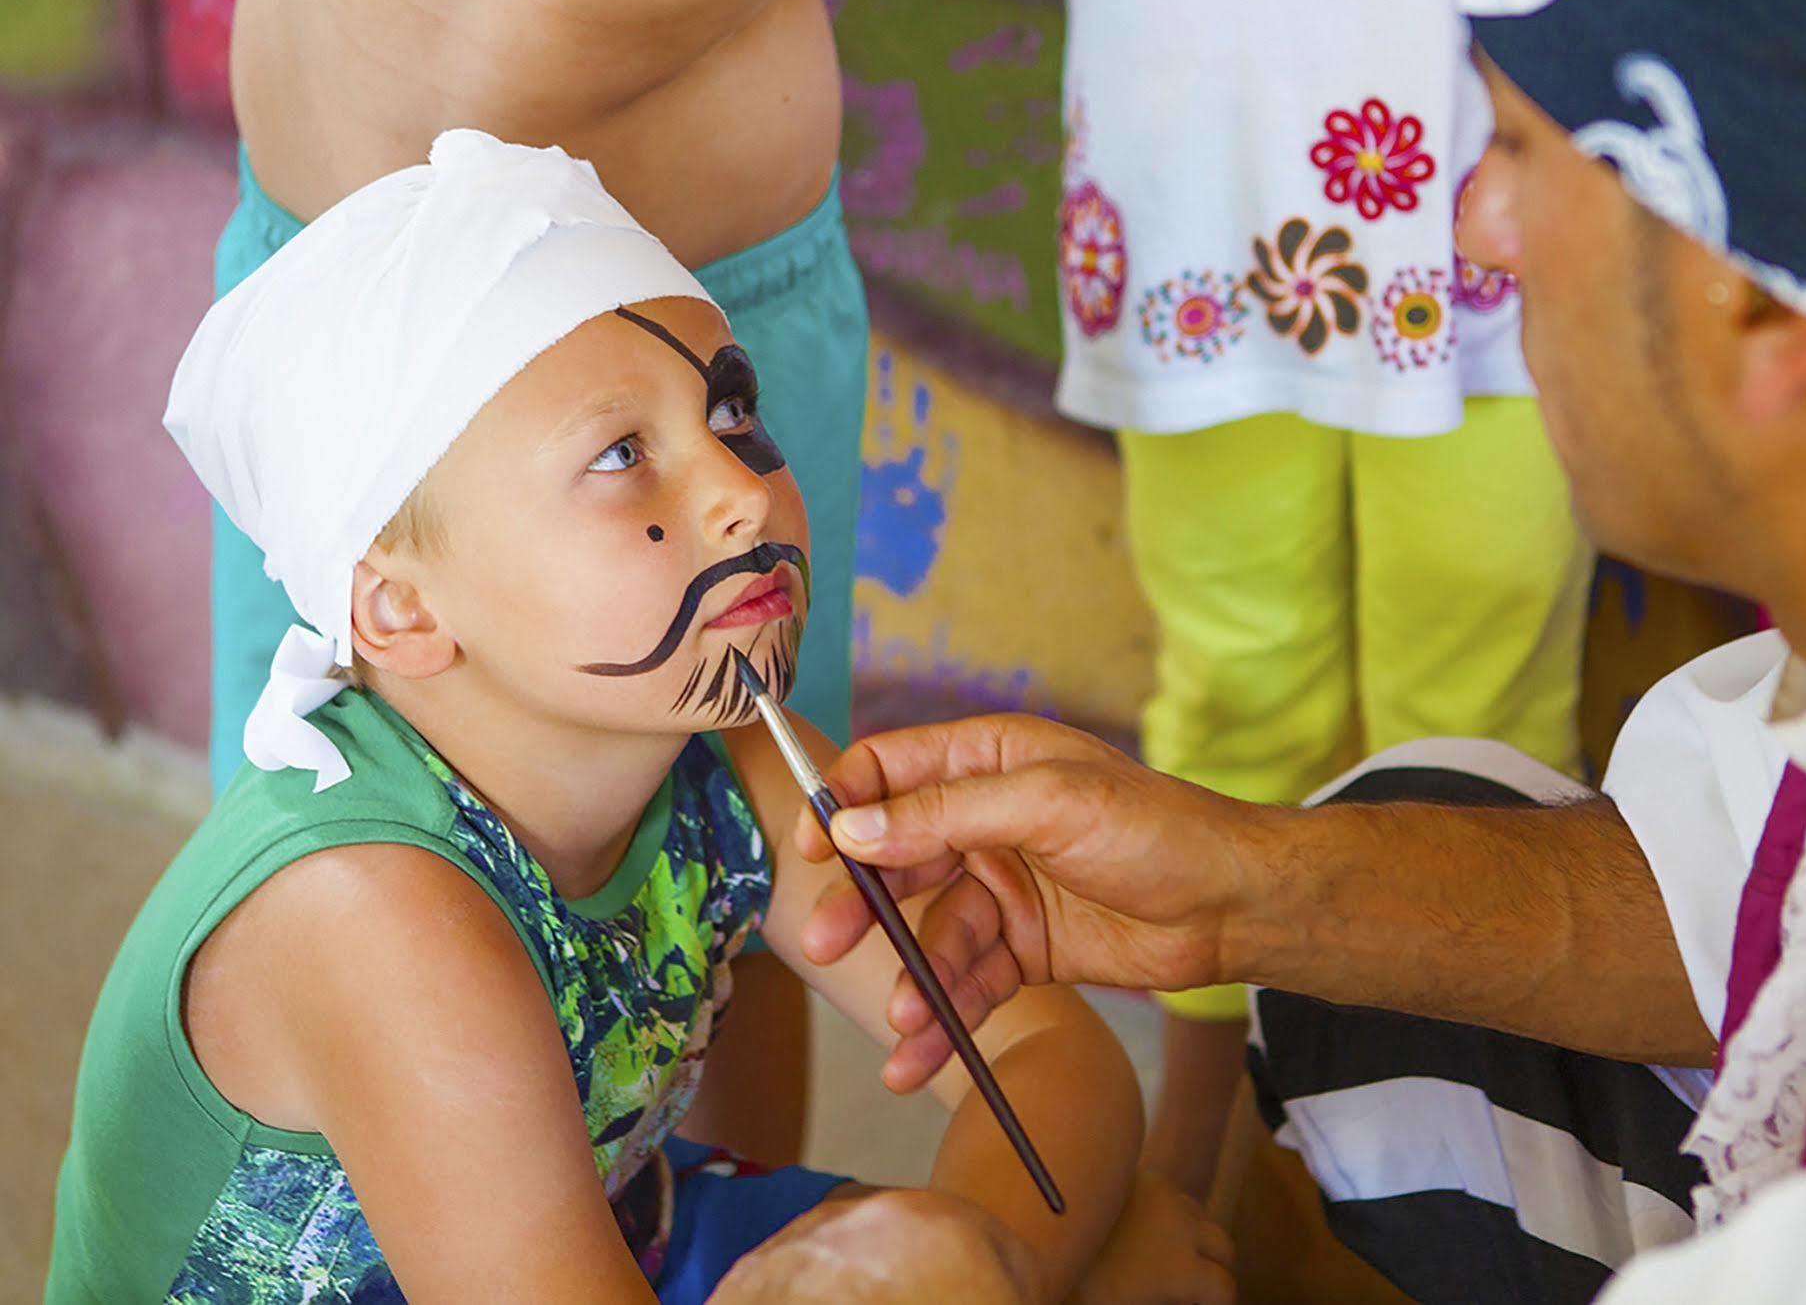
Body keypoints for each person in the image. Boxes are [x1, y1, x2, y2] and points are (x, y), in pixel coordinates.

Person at [793, 0, 1806, 1300]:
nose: (1468, 231)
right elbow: (1742, 888)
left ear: (1761, 293)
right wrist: (1242, 893)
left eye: (1521, 152)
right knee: (1415, 825)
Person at [43, 134, 1221, 1304]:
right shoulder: (375, 915)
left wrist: (990, 1266)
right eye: (620, 453)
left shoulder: (738, 748)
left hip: (595, 1235)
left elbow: (1052, 1060)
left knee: (1125, 1248)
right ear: (400, 608)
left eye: (732, 412)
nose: (740, 488)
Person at [218, 0, 864, 1160]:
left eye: (738, 432)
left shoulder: (702, 465)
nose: (737, 493)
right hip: (329, 349)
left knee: (730, 888)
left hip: (688, 295)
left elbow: (963, 1010)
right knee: (332, 911)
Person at [1054, 0, 1590, 1197]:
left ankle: (1491, 1170)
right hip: (1199, 158)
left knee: (1482, 723)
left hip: (1491, 166)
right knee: (1238, 687)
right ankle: (1195, 1164)